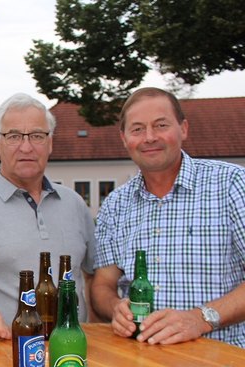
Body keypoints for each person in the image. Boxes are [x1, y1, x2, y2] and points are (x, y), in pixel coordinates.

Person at [91, 87, 245, 348]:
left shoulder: (232, 184)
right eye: (137, 129)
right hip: (140, 365)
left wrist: (202, 318)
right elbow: (102, 285)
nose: (149, 137)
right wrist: (116, 308)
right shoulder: (115, 205)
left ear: (183, 128)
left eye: (161, 125)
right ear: (124, 138)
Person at [0, 93, 96, 340]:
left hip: (70, 355)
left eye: (36, 136)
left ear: (50, 143)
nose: (26, 147)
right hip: (1, 356)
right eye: (14, 136)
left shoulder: (75, 204)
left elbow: (92, 279)